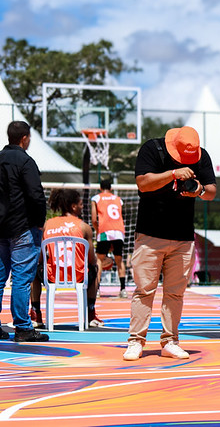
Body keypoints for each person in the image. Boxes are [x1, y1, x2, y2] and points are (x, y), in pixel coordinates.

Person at [123, 126, 217, 361]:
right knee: (144, 290)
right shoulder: (152, 149)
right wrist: (173, 174)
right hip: (150, 234)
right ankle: (136, 341)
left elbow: (212, 191)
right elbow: (143, 183)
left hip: (183, 237)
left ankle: (170, 341)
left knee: (176, 293)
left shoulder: (200, 155)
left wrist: (200, 190)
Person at [0, 121, 48, 342]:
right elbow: (36, 195)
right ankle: (22, 328)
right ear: (25, 138)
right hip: (22, 227)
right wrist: (39, 222)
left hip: (1, 228)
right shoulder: (26, 162)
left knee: (0, 278)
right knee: (20, 279)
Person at [43, 189, 103, 326]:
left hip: (53, 276)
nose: (82, 207)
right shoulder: (84, 227)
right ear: (74, 206)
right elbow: (92, 260)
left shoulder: (48, 225)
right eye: (81, 204)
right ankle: (91, 313)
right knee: (95, 268)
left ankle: (35, 314)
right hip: (78, 275)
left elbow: (41, 257)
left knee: (34, 268)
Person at [91, 179, 128, 299]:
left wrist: (98, 231)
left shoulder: (96, 198)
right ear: (111, 188)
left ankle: (97, 289)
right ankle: (123, 290)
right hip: (119, 231)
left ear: (100, 188)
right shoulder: (118, 199)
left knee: (99, 260)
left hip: (104, 230)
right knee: (119, 260)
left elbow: (94, 220)